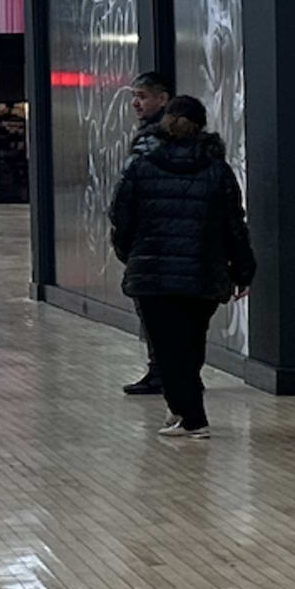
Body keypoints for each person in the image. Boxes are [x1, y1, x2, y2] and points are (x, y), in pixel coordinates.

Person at [104, 93, 251, 439]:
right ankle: (183, 410)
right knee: (190, 343)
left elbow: (120, 217)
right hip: (203, 273)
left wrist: (131, 254)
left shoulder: (141, 166)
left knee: (166, 348)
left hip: (152, 273)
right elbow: (235, 224)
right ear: (202, 126)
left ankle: (192, 417)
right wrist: (243, 269)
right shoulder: (218, 171)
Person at [119, 72, 178, 397]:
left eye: (142, 95)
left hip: (152, 239)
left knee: (154, 308)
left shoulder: (148, 142)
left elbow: (128, 195)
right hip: (176, 239)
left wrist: (125, 240)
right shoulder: (186, 139)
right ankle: (178, 371)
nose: (135, 102)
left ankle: (162, 371)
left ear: (162, 98)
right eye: (134, 95)